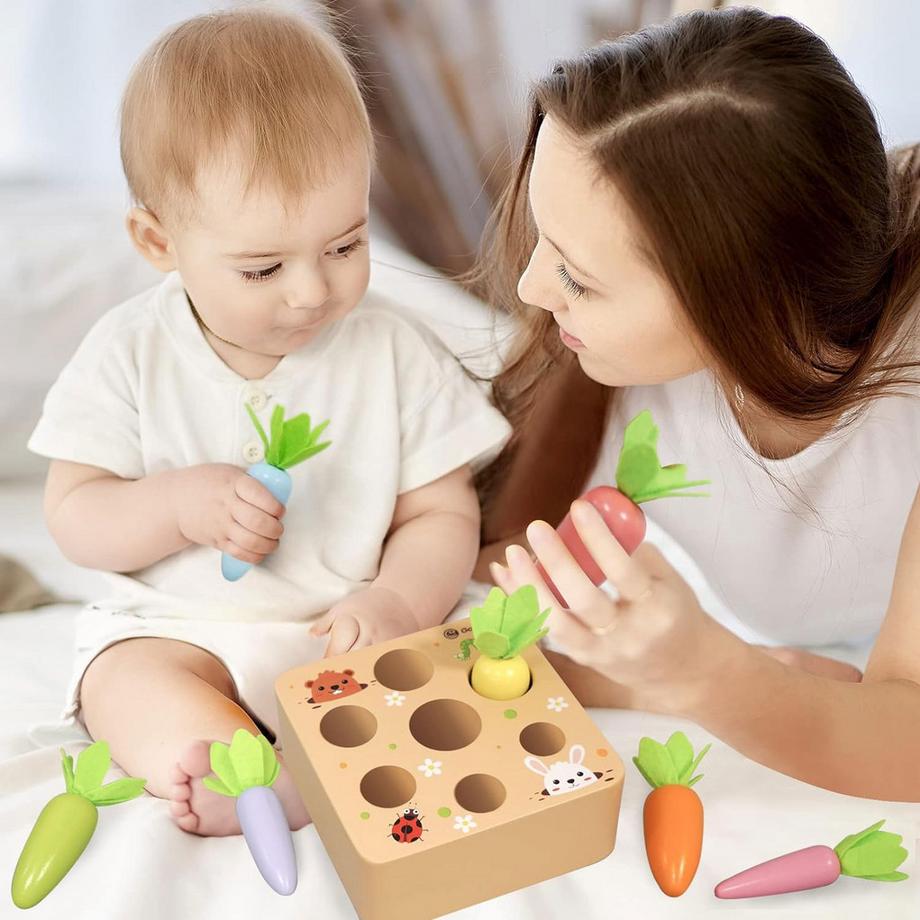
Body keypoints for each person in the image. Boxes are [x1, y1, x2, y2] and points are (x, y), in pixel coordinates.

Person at [28, 7, 510, 837]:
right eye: (262, 269)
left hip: (347, 636)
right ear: (157, 242)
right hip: (182, 633)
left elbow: (440, 511)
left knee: (457, 672)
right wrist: (175, 505)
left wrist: (398, 600)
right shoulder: (128, 353)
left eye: (345, 246)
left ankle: (325, 765)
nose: (312, 292)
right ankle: (245, 771)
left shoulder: (394, 349)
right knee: (123, 682)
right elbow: (75, 517)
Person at [474, 7, 920, 800]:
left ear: (746, 300)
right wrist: (684, 680)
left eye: (577, 277)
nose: (532, 288)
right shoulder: (606, 363)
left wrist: (711, 676)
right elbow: (487, 595)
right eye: (545, 240)